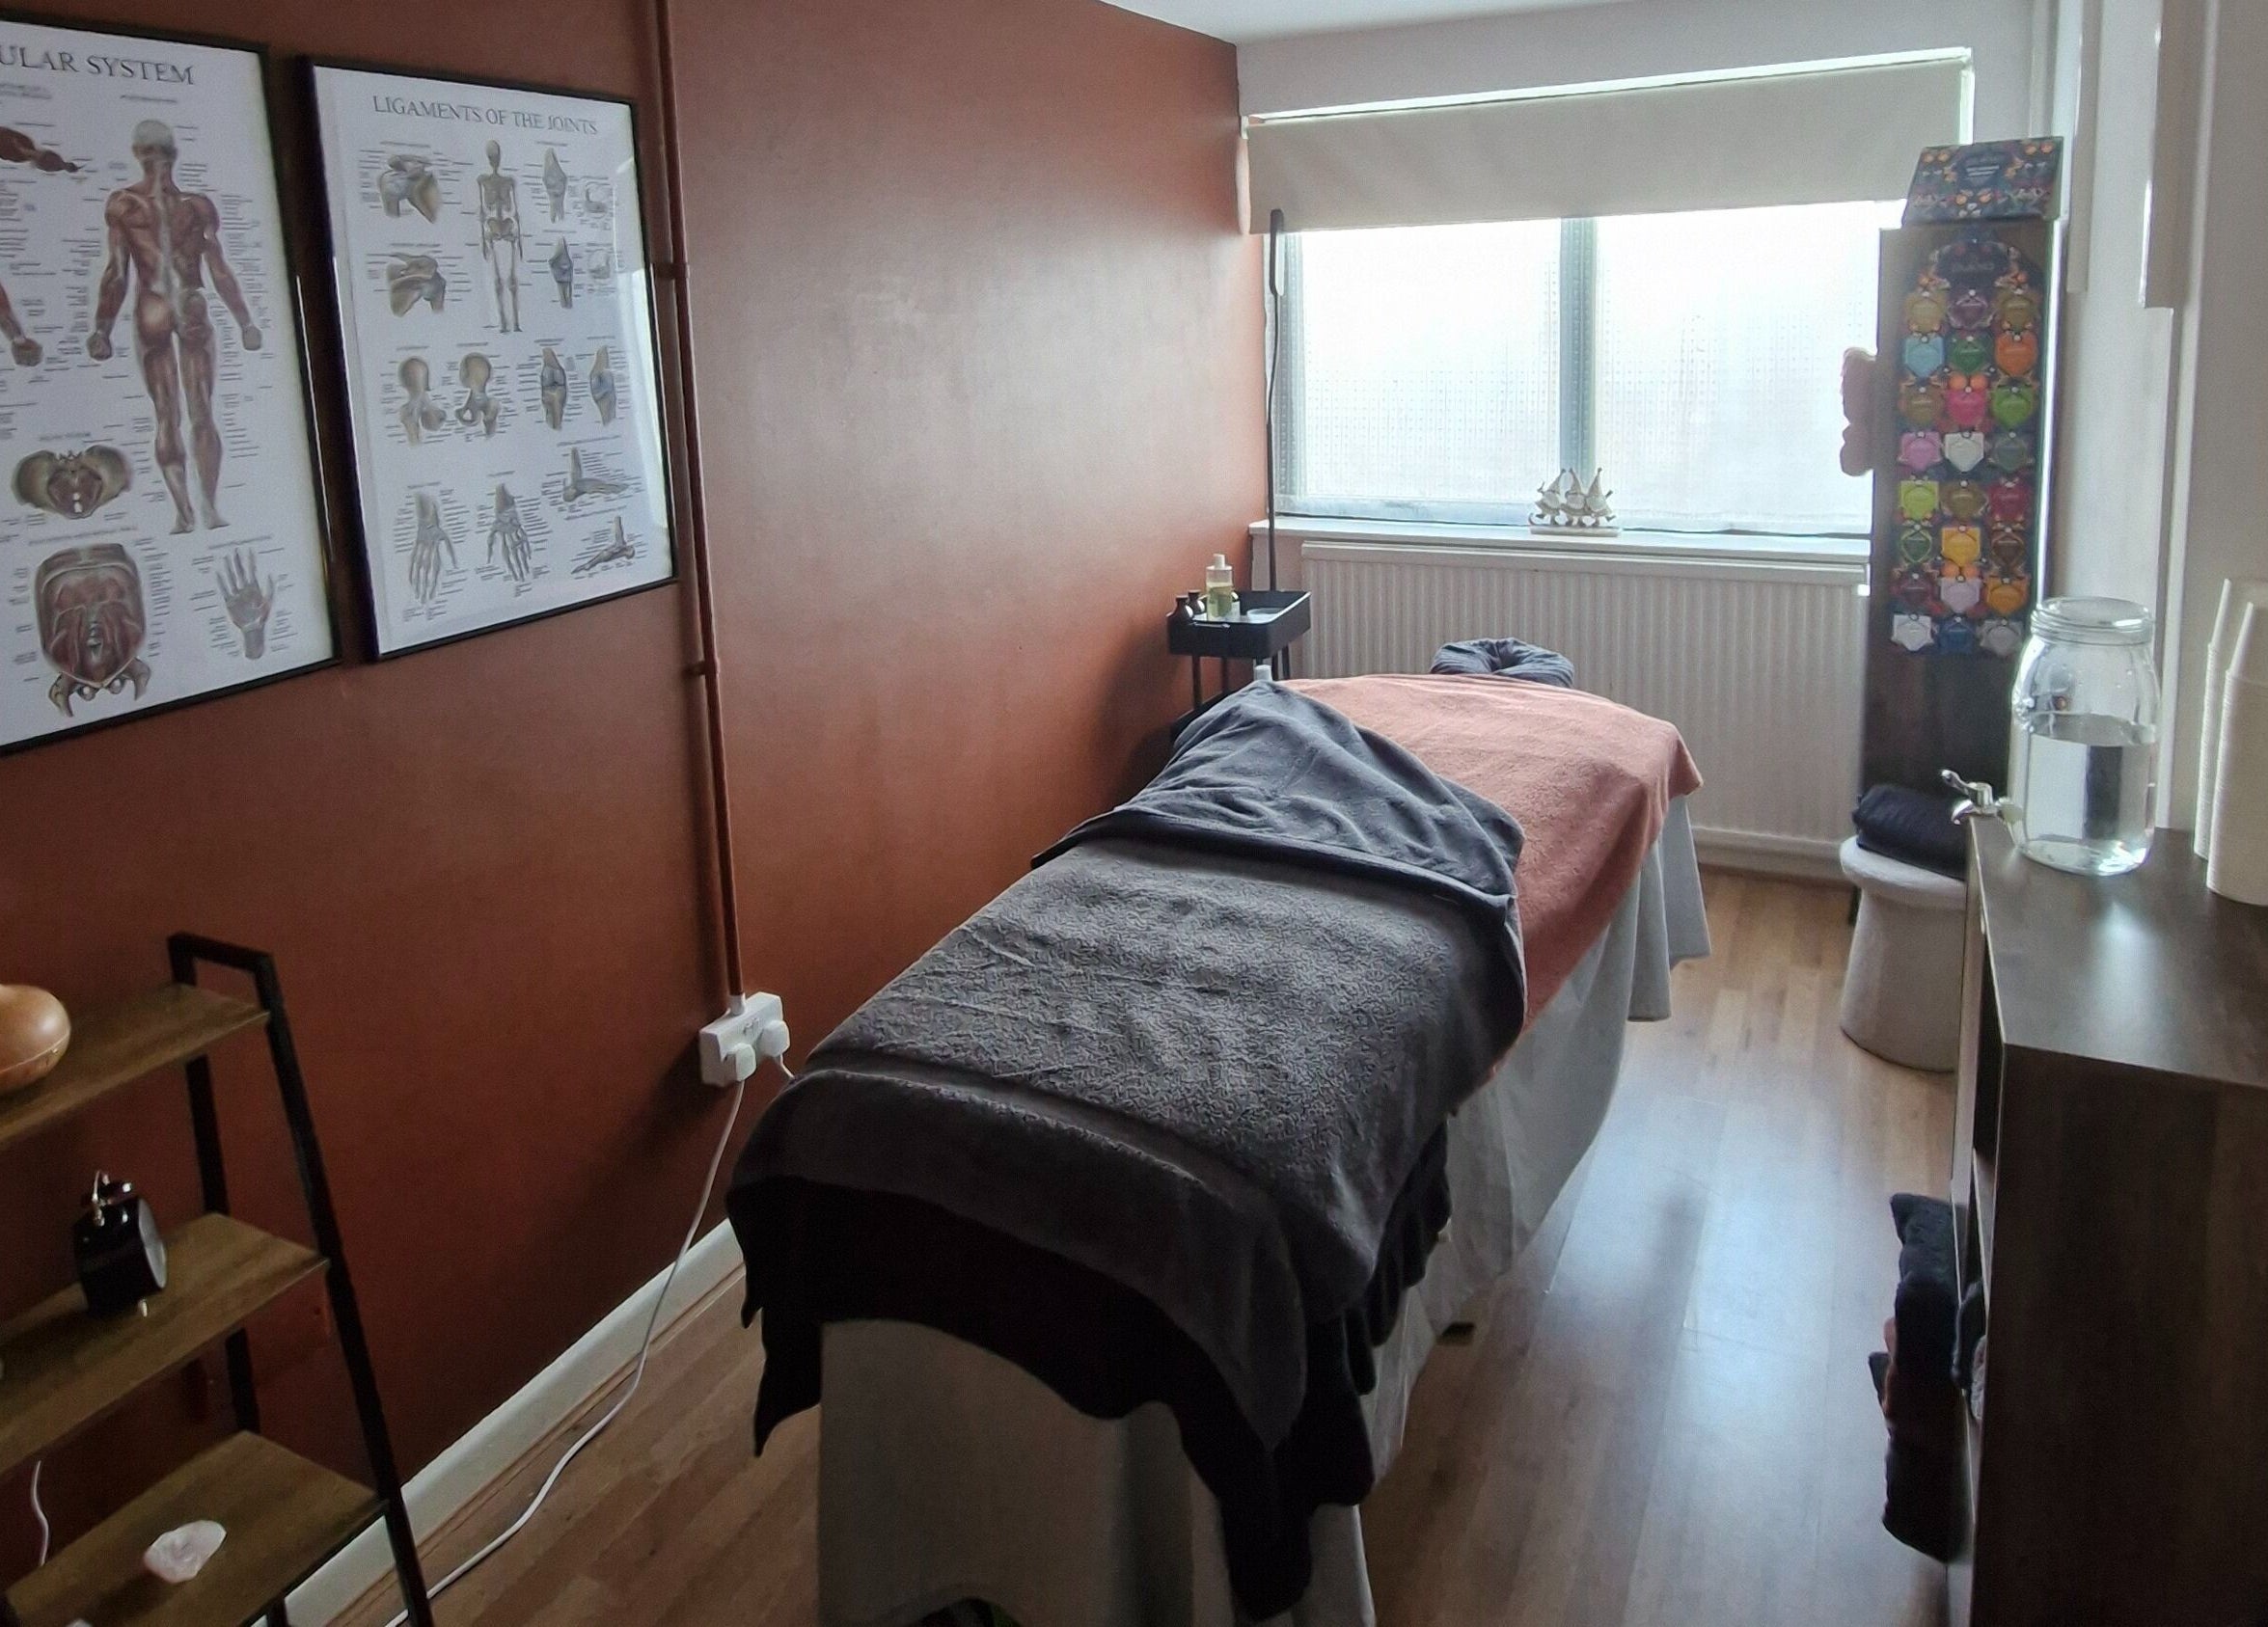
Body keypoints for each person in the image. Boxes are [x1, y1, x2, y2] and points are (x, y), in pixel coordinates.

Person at [87, 119, 261, 533]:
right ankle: (210, 509)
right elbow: (218, 271)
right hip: (190, 299)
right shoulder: (197, 206)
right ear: (173, 154)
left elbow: (117, 273)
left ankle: (184, 512)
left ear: (138, 154)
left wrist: (102, 329)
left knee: (167, 414)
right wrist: (245, 322)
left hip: (153, 304)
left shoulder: (125, 205)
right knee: (202, 411)